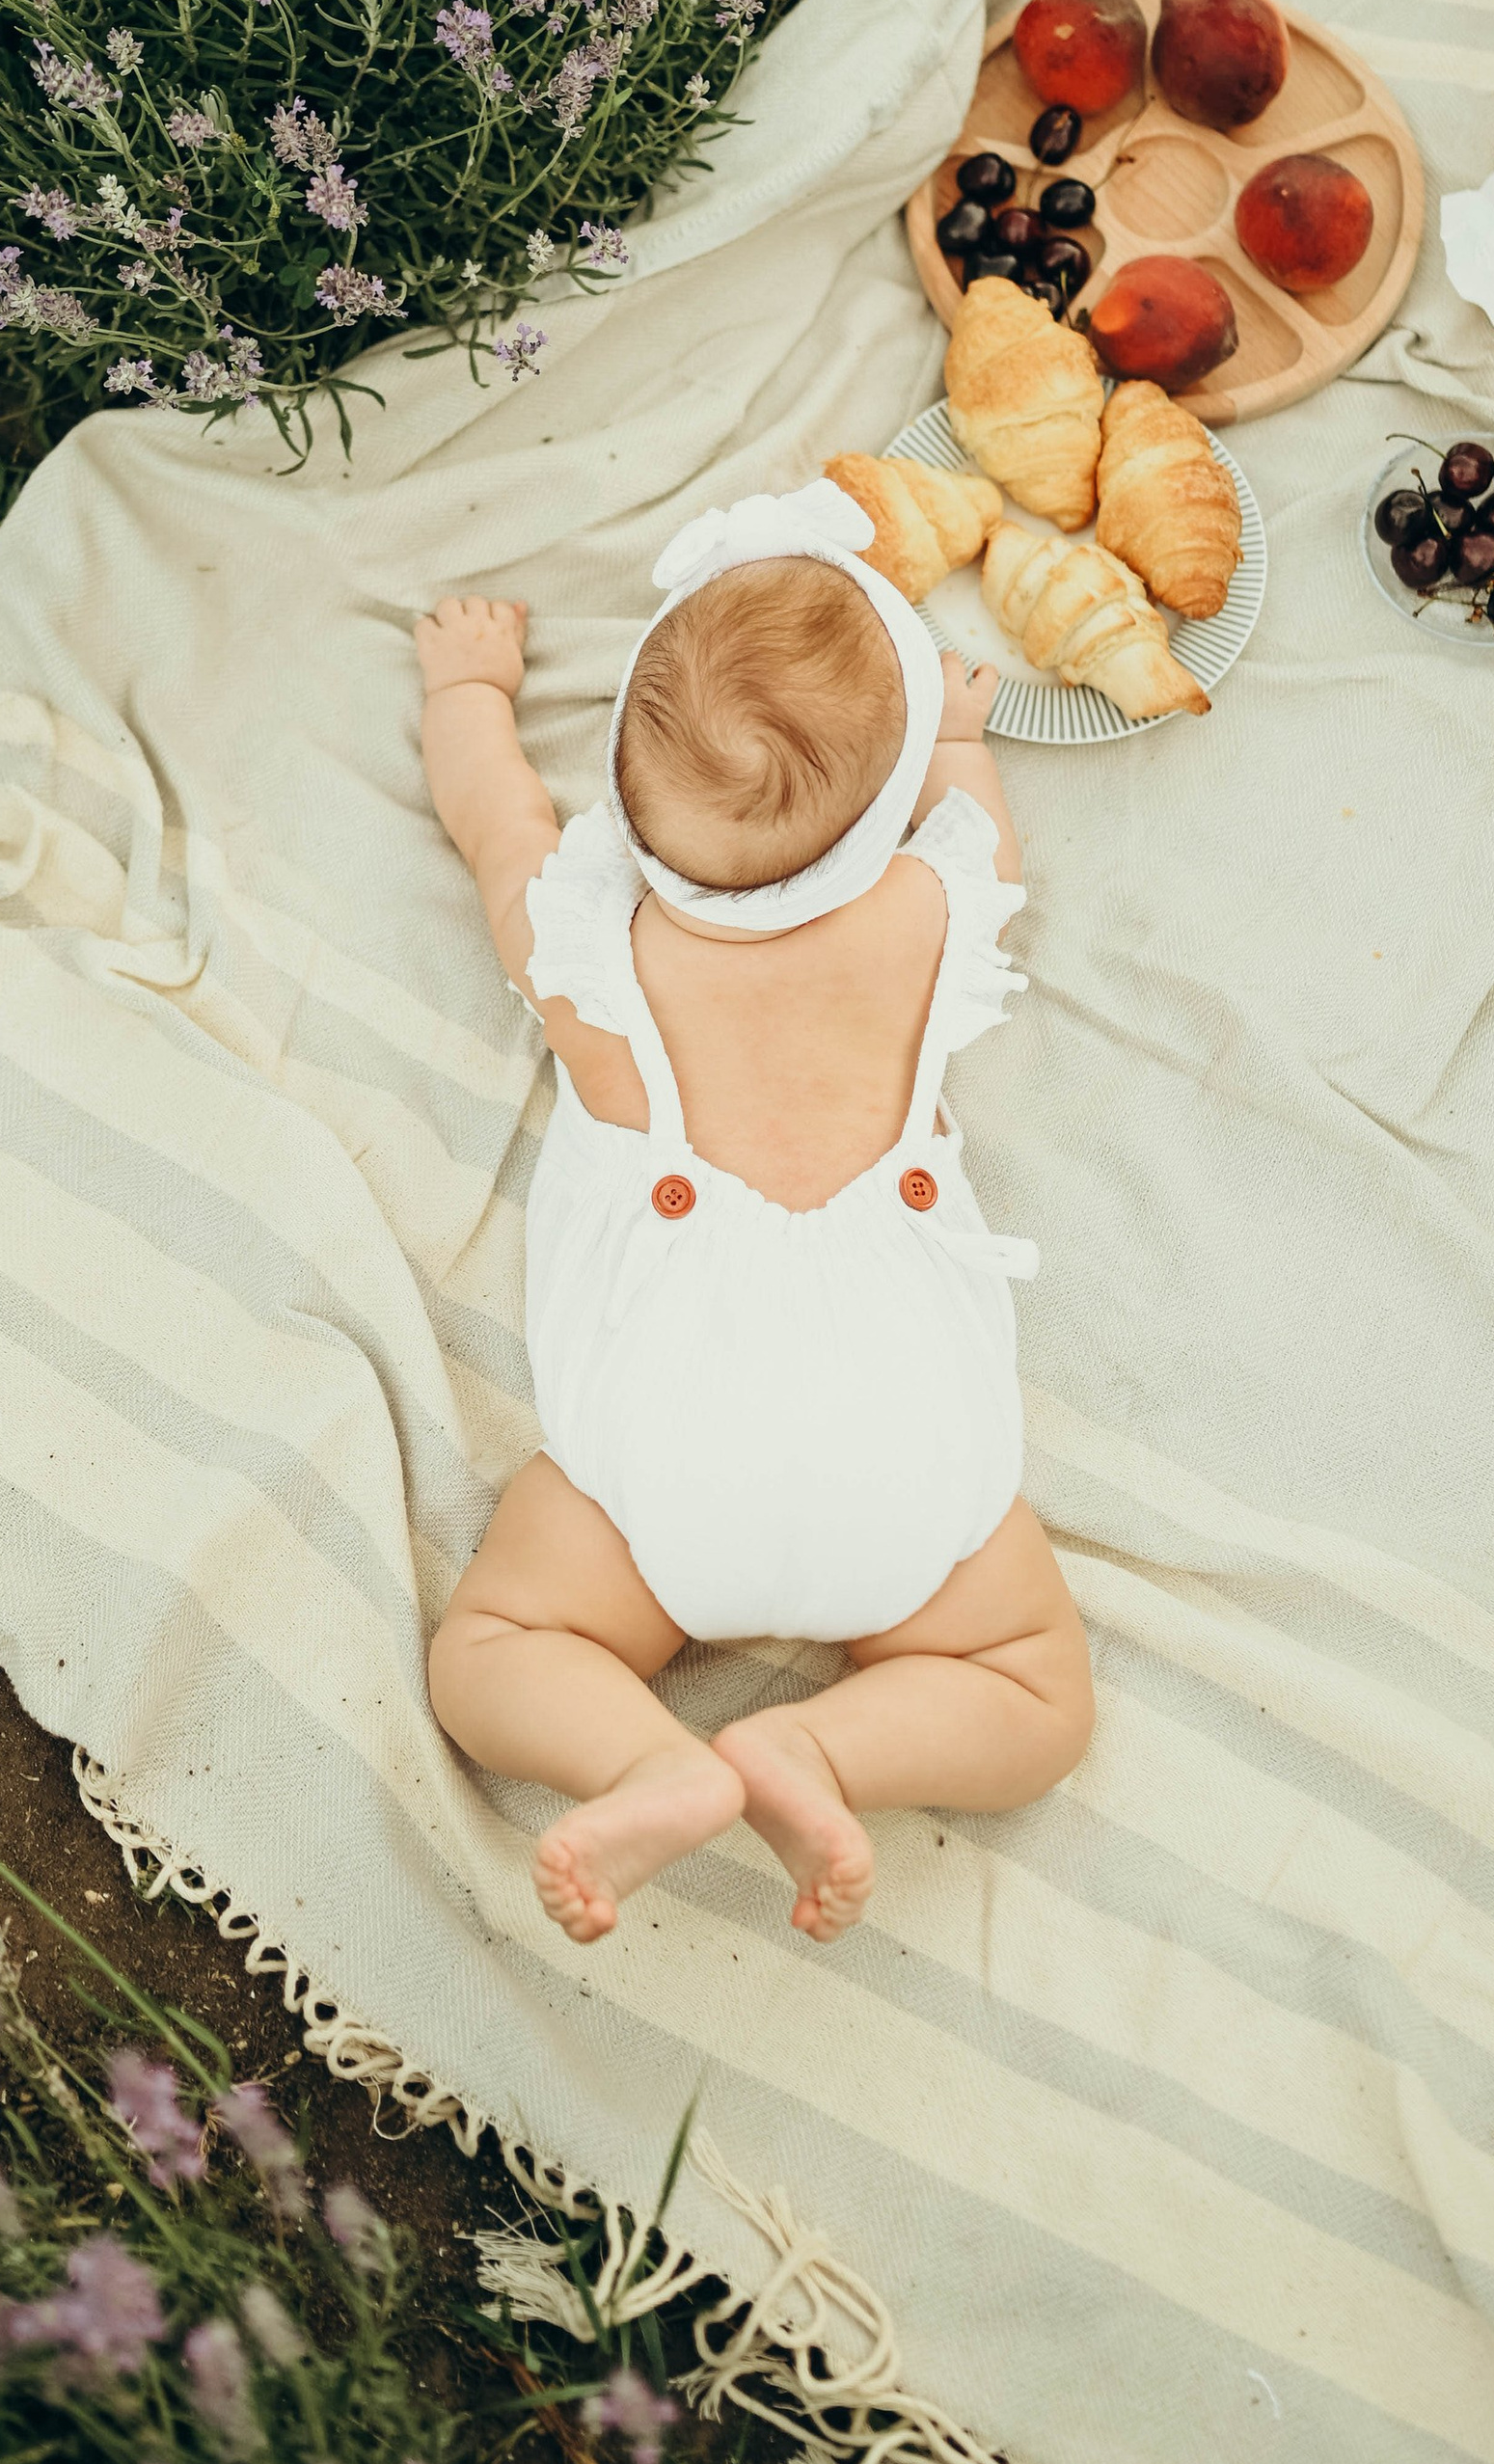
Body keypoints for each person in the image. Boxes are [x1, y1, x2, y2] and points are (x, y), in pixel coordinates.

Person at [414, 481, 1093, 1950]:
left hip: (661, 1465)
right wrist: (964, 742)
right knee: (1035, 1693)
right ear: (887, 806)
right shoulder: (926, 919)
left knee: (495, 1650)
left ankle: (648, 1759)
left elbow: (494, 823)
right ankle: (821, 1751)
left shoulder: (594, 958)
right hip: (909, 1458)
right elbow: (985, 844)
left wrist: (468, 688)